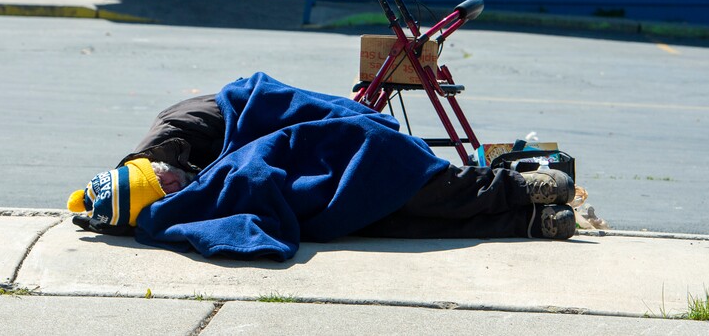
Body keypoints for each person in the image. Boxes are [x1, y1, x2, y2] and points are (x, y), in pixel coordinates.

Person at [69, 73, 576, 260]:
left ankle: (518, 188)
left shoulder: (176, 129)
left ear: (157, 165)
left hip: (309, 145)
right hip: (298, 181)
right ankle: (528, 221)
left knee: (392, 174)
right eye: (167, 194)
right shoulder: (153, 190)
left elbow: (259, 109)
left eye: (167, 183)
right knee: (378, 216)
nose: (176, 189)